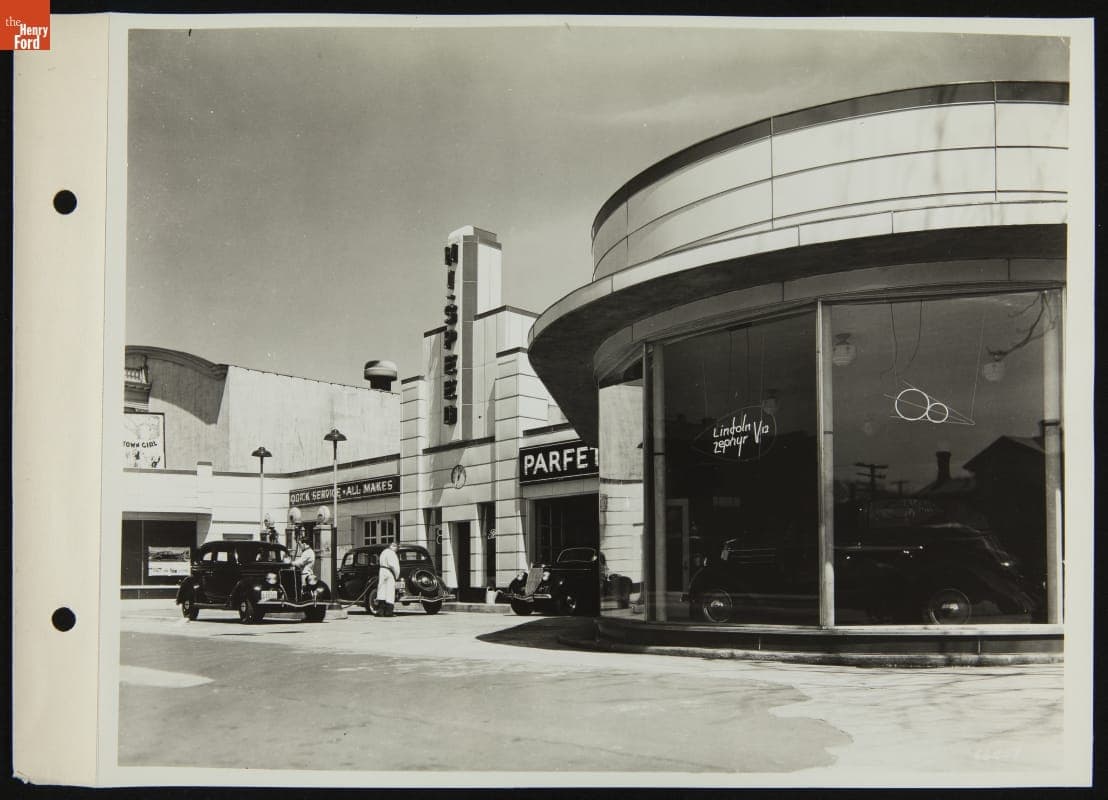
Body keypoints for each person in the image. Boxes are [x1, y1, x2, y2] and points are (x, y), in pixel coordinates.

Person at [376, 540, 400, 617]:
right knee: (390, 591)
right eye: (396, 547)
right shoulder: (392, 553)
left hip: (382, 571)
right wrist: (396, 575)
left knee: (381, 590)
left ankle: (380, 611)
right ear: (395, 547)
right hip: (389, 572)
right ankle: (388, 612)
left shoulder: (383, 552)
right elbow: (394, 566)